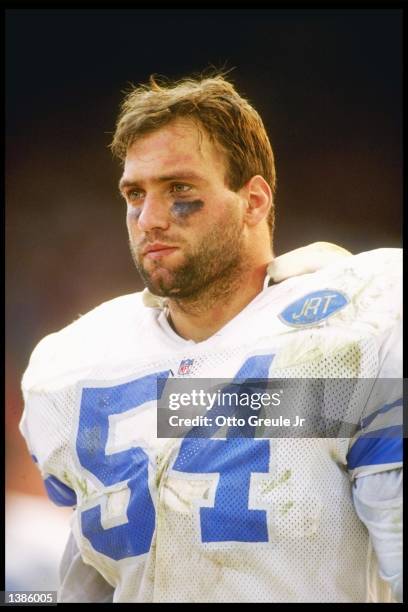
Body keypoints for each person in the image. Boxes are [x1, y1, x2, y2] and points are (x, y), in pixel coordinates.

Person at [19, 72, 402, 603]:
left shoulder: (353, 326)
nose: (149, 219)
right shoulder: (82, 362)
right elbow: (93, 572)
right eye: (135, 193)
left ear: (255, 201)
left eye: (180, 190)